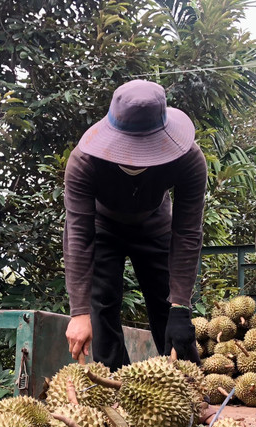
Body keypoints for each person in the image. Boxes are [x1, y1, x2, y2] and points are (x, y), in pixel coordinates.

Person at [63, 79, 207, 371]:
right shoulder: (84, 162)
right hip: (104, 228)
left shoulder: (188, 160)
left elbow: (187, 233)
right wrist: (79, 312)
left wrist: (180, 305)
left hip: (155, 225)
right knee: (101, 308)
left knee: (171, 316)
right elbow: (78, 234)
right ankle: (114, 394)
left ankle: (190, 390)